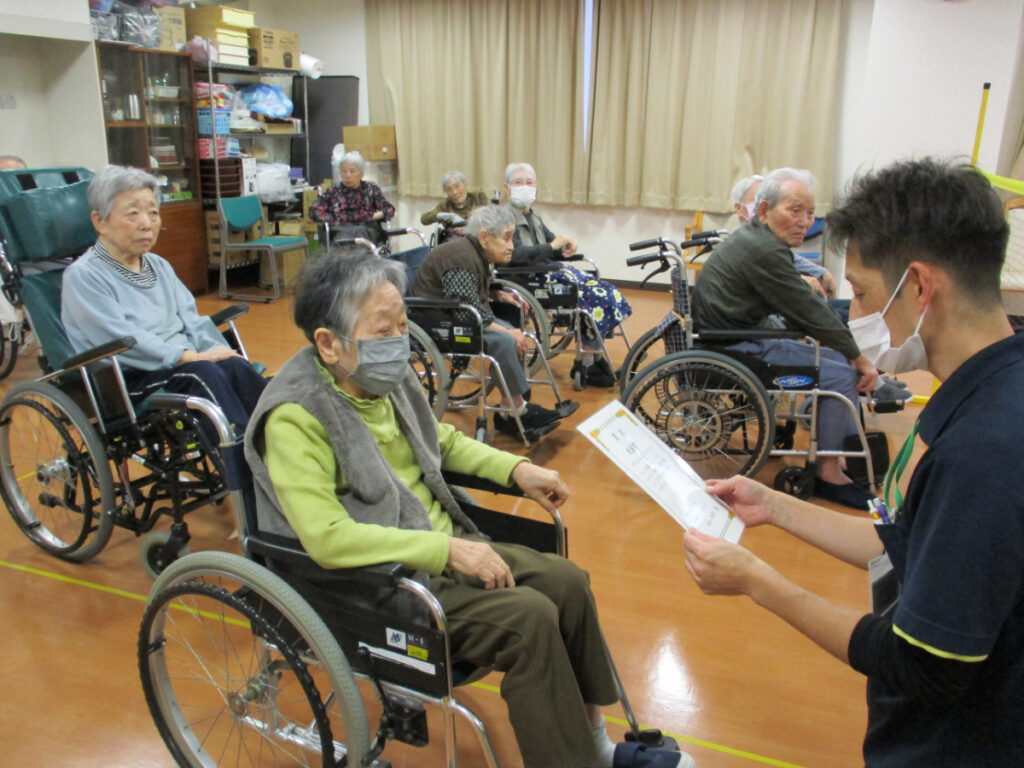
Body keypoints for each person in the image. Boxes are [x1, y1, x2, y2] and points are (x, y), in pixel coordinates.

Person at [244, 250, 692, 768]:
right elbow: (326, 538)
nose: (400, 341)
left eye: (403, 325)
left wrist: (515, 469)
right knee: (529, 621)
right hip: (380, 585)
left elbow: (441, 442)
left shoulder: (382, 378)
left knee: (567, 583)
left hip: (440, 547)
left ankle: (595, 745)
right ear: (328, 343)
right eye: (384, 330)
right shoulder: (295, 417)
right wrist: (447, 550)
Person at [683, 157, 1023, 767]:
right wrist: (775, 506)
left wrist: (758, 581)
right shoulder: (988, 384)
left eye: (862, 293)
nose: (859, 313)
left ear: (918, 287)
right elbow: (908, 542)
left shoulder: (983, 454)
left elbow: (921, 663)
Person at [691, 167, 878, 508]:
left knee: (837, 360)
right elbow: (807, 309)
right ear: (764, 210)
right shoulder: (763, 250)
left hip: (739, 336)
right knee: (842, 374)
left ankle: (833, 444)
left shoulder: (758, 240)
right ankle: (828, 474)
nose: (805, 222)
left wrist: (845, 348)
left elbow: (802, 307)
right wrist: (859, 356)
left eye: (810, 213)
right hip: (736, 347)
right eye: (795, 211)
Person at [61, 164, 266, 440]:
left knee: (235, 366)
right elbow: (121, 338)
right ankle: (244, 459)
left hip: (183, 363)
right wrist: (189, 357)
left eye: (153, 212)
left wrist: (215, 350)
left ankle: (283, 441)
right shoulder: (84, 276)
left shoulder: (157, 265)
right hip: (130, 378)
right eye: (133, 213)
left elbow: (191, 319)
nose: (147, 223)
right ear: (100, 222)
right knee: (204, 374)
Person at [409, 204, 575, 440]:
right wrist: (506, 333)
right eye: (506, 238)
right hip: (440, 322)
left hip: (458, 315)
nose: (512, 246)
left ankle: (511, 409)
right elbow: (466, 308)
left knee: (514, 333)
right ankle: (517, 410)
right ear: (485, 238)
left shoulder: (474, 251)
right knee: (506, 340)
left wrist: (498, 294)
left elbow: (470, 291)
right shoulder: (460, 256)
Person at [504, 162, 632, 388]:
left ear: (536, 186)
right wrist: (552, 247)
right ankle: (588, 362)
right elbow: (514, 255)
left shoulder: (534, 218)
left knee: (607, 291)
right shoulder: (504, 219)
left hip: (549, 272)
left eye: (529, 182)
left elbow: (552, 245)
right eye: (518, 182)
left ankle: (590, 357)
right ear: (507, 188)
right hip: (528, 278)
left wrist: (565, 247)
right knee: (595, 296)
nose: (524, 187)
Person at [731, 174, 839, 301]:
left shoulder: (765, 236)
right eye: (755, 198)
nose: (803, 222)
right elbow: (769, 276)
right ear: (739, 208)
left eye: (810, 213)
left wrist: (820, 272)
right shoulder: (743, 240)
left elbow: (790, 258)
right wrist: (801, 280)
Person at [309, 150, 395, 247]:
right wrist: (333, 220)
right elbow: (314, 210)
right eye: (344, 171)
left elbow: (389, 209)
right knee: (344, 238)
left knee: (360, 233)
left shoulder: (371, 189)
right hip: (342, 231)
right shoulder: (334, 191)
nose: (348, 175)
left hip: (366, 230)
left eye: (352, 171)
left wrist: (372, 216)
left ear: (361, 173)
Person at [419, 169, 490, 229]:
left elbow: (491, 217)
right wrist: (442, 216)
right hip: (455, 239)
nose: (454, 192)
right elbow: (424, 219)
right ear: (446, 192)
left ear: (465, 184)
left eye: (457, 186)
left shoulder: (478, 198)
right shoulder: (445, 205)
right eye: (449, 189)